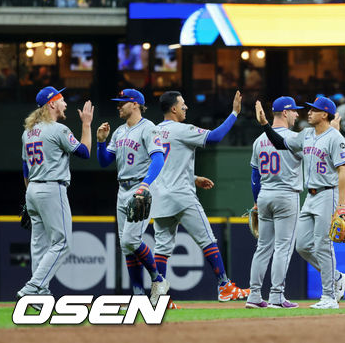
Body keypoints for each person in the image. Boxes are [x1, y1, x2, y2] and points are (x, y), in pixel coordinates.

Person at [151, 90, 249, 306]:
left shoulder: (153, 132)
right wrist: (234, 113)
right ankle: (224, 286)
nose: (186, 107)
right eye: (183, 103)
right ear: (174, 108)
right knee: (208, 240)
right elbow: (215, 137)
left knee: (162, 248)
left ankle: (158, 297)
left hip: (159, 196)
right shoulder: (182, 129)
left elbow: (159, 164)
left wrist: (193, 177)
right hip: (182, 196)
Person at [255, 96, 345, 309]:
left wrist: (341, 204)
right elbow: (280, 143)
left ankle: (329, 297)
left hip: (328, 193)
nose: (308, 112)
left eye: (314, 110)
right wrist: (264, 124)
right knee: (302, 245)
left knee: (323, 244)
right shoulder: (306, 134)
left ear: (324, 114)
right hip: (311, 196)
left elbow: (343, 171)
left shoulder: (335, 138)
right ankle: (337, 278)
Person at [17, 87, 94, 303]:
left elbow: (25, 170)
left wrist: (28, 197)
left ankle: (40, 296)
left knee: (39, 245)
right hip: (52, 188)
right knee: (62, 243)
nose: (65, 104)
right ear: (52, 104)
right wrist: (86, 124)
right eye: (61, 100)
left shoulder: (28, 132)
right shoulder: (58, 129)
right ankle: (34, 287)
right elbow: (85, 152)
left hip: (32, 189)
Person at [95, 89, 168, 305]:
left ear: (135, 104)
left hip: (140, 187)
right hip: (123, 188)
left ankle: (158, 279)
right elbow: (104, 161)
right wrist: (100, 142)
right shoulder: (118, 132)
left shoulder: (148, 128)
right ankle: (137, 293)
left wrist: (145, 185)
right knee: (126, 245)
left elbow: (158, 159)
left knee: (130, 239)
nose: (118, 106)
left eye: (122, 103)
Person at [246, 97, 305, 309]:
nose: (297, 114)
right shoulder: (296, 138)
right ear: (285, 112)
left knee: (262, 247)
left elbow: (254, 176)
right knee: (283, 247)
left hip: (264, 196)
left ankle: (253, 295)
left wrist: (255, 201)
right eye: (295, 111)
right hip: (286, 195)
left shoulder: (258, 140)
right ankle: (276, 295)